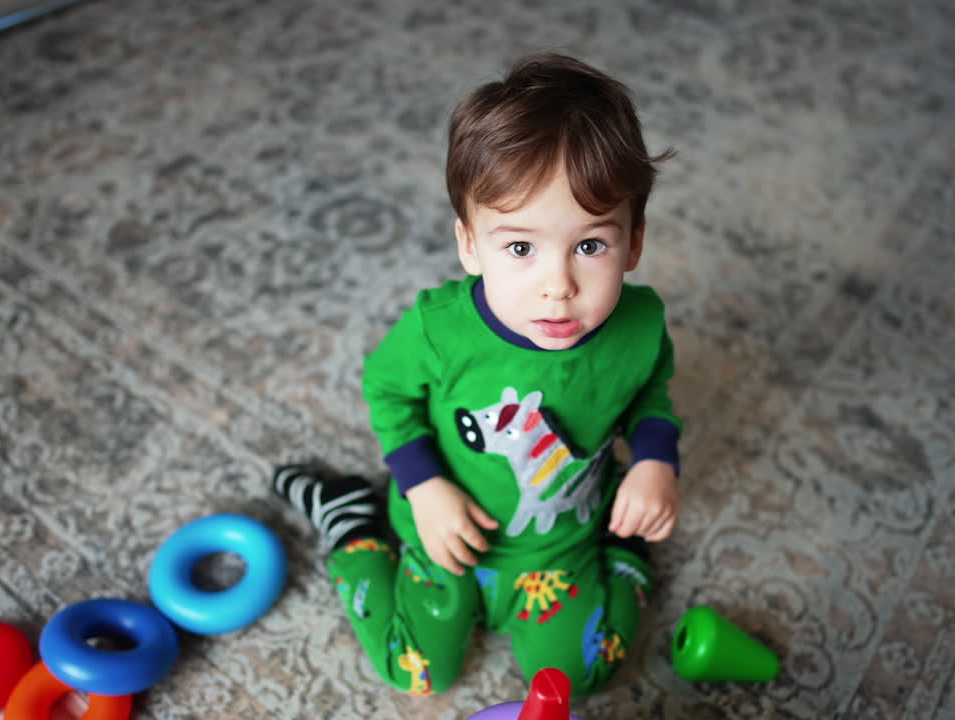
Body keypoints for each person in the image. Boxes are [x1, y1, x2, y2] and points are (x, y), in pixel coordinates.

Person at [272, 52, 682, 699]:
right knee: (417, 670)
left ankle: (622, 553)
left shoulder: (640, 324)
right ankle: (352, 521)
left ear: (633, 242)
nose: (558, 287)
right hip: (449, 527)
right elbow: (387, 391)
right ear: (470, 245)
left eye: (590, 245)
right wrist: (424, 485)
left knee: (584, 674)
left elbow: (651, 394)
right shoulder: (440, 330)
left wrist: (657, 460)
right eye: (521, 248)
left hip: (560, 544)